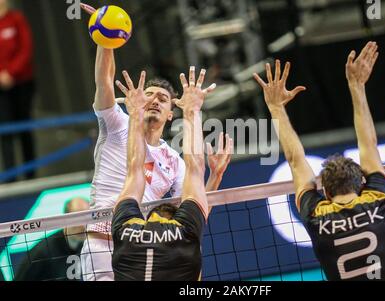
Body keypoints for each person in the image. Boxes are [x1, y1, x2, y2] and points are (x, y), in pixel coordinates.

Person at [80, 6, 232, 280]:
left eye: (162, 99)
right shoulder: (117, 123)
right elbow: (104, 81)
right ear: (135, 100)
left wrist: (217, 176)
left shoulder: (173, 159)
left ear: (170, 114)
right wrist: (106, 41)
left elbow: (194, 205)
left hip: (143, 246)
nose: (154, 100)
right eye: (149, 95)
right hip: (102, 240)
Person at [253, 42, 385, 281]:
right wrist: (357, 85)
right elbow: (369, 144)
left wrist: (275, 107)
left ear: (327, 194)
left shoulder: (317, 215)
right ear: (361, 184)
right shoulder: (379, 201)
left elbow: (295, 160)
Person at [111, 66, 211, 280]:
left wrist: (135, 114)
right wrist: (192, 111)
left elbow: (135, 167)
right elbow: (196, 168)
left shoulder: (125, 231)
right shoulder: (185, 233)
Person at [0, 0, 35, 181]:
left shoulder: (16, 19)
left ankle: (31, 175)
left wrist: (10, 73)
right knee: (4, 130)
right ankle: (10, 177)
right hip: (1, 88)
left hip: (21, 83)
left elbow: (25, 49)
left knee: (24, 128)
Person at [14, 197, 89, 281]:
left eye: (86, 219)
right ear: (65, 220)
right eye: (77, 219)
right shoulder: (42, 253)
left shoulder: (85, 245)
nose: (83, 226)